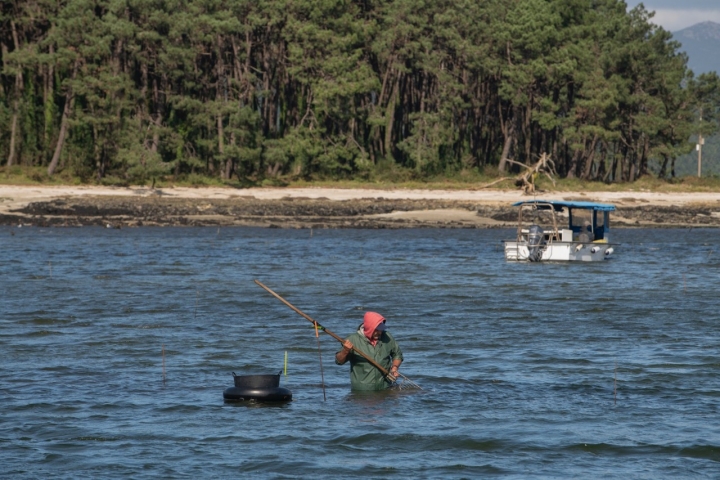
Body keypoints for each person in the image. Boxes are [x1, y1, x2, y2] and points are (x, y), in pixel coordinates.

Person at [335, 311, 403, 391]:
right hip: (362, 391)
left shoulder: (387, 336)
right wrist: (345, 351)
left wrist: (394, 368)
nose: (380, 332)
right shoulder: (353, 339)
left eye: (381, 329)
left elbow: (397, 354)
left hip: (385, 388)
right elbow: (339, 361)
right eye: (377, 330)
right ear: (369, 327)